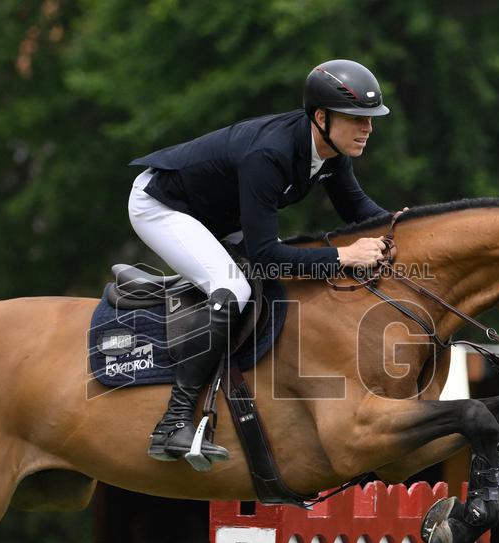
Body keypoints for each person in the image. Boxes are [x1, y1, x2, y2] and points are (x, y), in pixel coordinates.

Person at [128, 59, 394, 465]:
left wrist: (408, 229)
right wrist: (343, 256)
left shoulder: (332, 153)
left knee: (270, 285)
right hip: (162, 206)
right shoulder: (268, 155)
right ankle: (173, 422)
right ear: (321, 118)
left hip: (217, 215)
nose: (368, 128)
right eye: (357, 118)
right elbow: (268, 254)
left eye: (371, 119)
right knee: (234, 288)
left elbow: (361, 211)